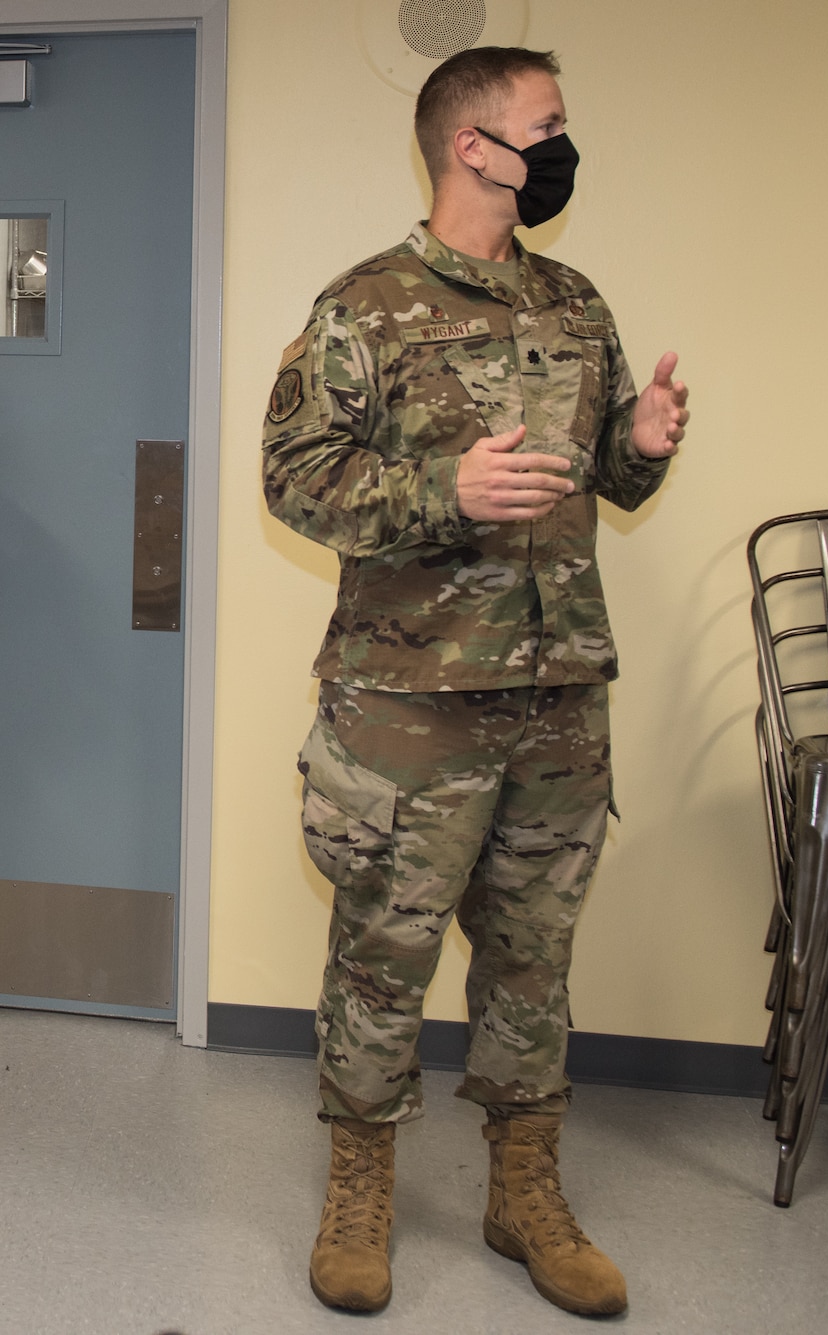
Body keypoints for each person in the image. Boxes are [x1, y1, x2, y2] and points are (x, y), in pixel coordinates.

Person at [261, 48, 689, 1317]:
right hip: (405, 710)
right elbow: (293, 483)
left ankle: (525, 1196)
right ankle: (357, 1194)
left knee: (530, 963)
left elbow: (603, 478)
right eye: (546, 123)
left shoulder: (573, 301)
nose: (563, 144)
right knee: (381, 960)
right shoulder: (362, 306)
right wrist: (438, 493)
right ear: (472, 146)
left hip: (557, 699)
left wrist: (642, 446)